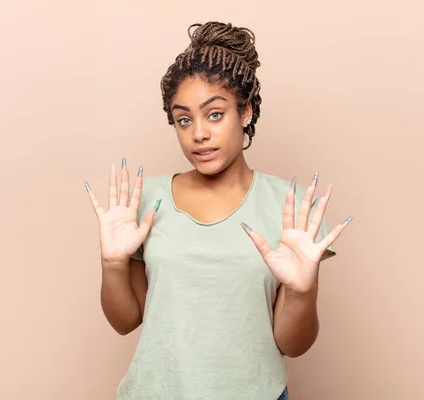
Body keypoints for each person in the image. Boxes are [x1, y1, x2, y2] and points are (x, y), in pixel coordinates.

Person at [85, 21, 352, 400]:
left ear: (245, 112)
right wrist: (112, 264)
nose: (198, 133)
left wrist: (300, 291)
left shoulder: (290, 207)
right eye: (183, 119)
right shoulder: (146, 202)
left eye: (214, 114)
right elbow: (126, 321)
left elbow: (293, 344)